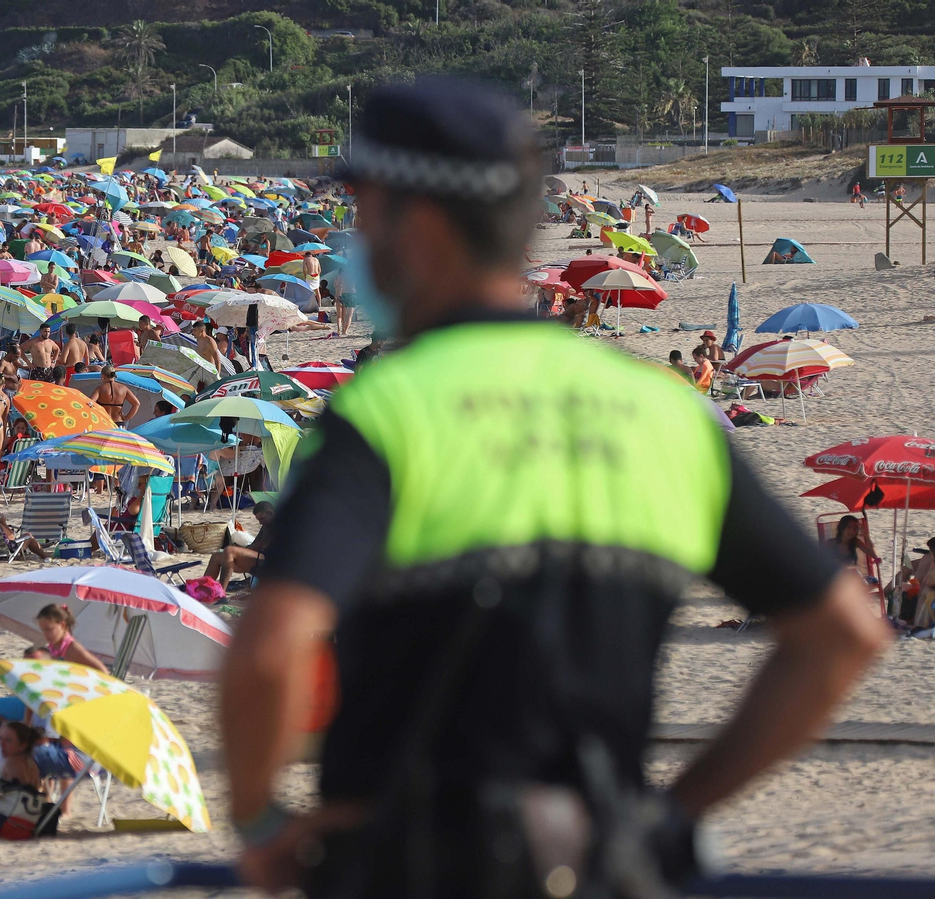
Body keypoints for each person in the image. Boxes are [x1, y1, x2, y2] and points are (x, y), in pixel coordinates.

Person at [219, 77, 887, 898]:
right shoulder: (657, 412)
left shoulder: (389, 410)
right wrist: (673, 815)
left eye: (362, 209)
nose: (353, 237)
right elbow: (842, 633)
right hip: (602, 865)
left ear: (419, 226)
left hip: (412, 866)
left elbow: (270, 650)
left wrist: (260, 825)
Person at [205, 501, 274, 586]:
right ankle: (204, 589)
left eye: (262, 519)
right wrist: (241, 549)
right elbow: (256, 543)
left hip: (270, 562)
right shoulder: (266, 525)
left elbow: (262, 544)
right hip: (259, 558)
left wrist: (243, 550)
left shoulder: (279, 525)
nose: (260, 522)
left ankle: (221, 593)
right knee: (216, 557)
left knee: (229, 551)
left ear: (270, 513)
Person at [34, 603, 107, 672]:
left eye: (49, 629)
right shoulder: (52, 647)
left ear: (62, 625)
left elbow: (102, 671)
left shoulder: (72, 648)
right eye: (43, 630)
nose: (45, 634)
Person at [833, 515, 878, 585]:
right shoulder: (831, 543)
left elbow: (875, 556)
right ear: (842, 528)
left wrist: (866, 535)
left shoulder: (855, 542)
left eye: (855, 528)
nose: (852, 531)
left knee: (872, 582)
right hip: (837, 580)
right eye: (849, 527)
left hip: (853, 579)